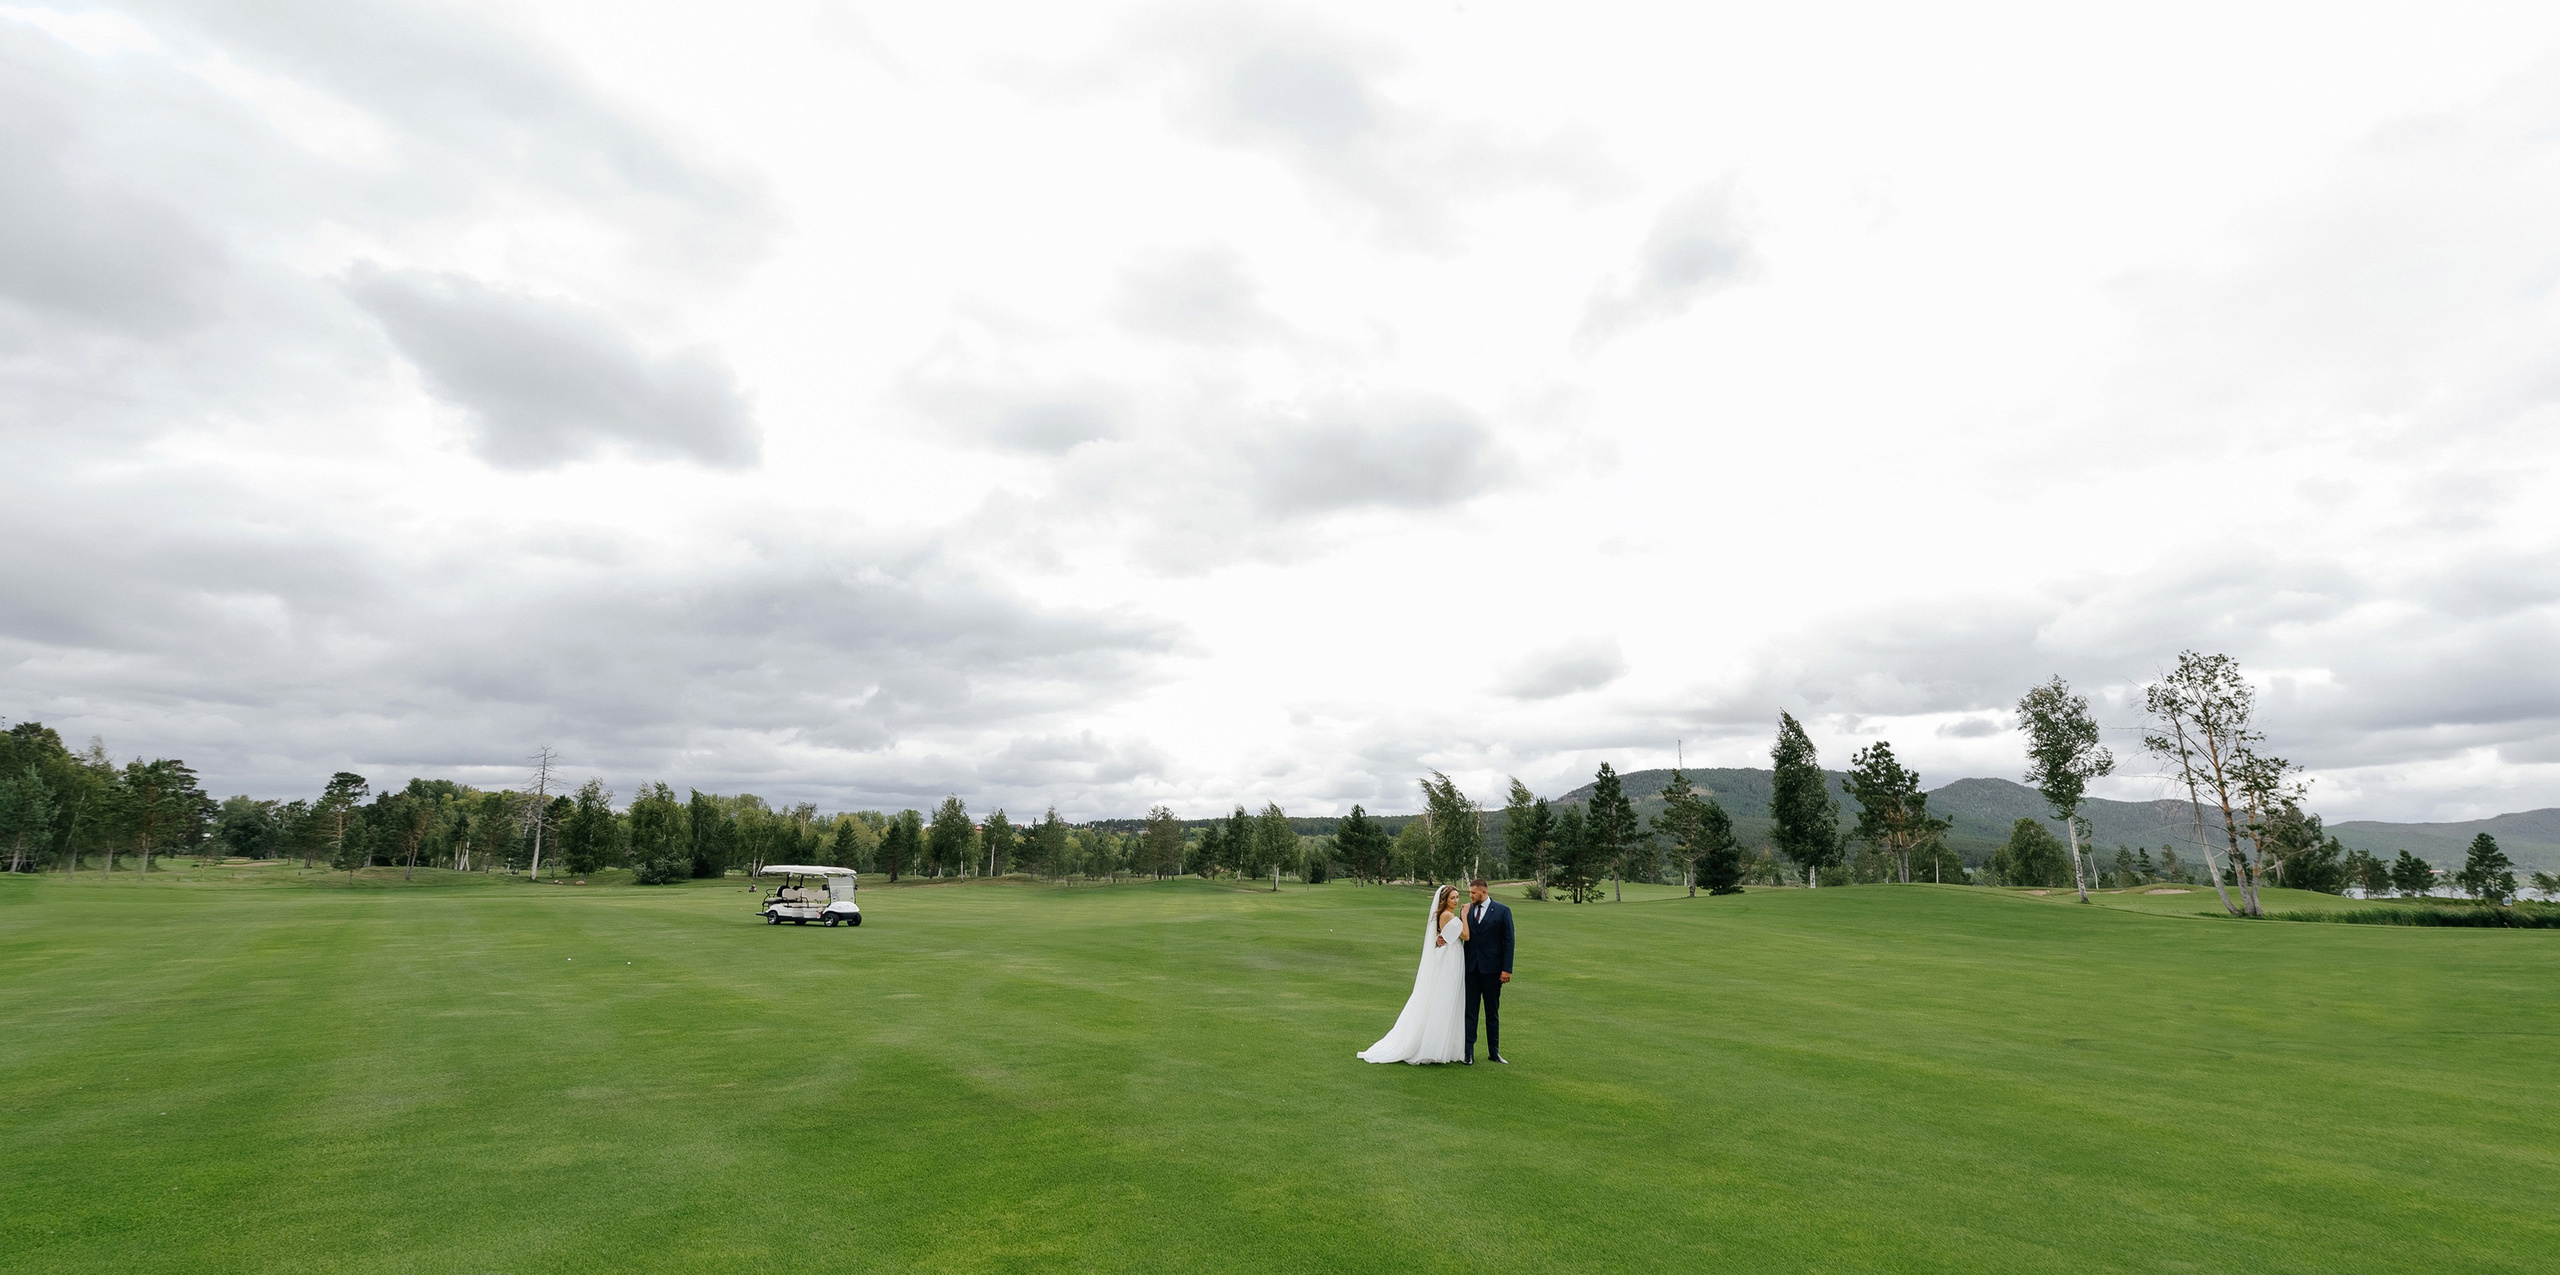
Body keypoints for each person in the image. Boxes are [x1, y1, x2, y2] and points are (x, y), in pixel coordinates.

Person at [1356, 885, 1470, 1065]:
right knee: (1444, 997)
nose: (1456, 901)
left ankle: (1442, 1045)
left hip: (1449, 954)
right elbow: (1466, 935)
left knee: (1443, 996)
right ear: (1445, 900)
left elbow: (1444, 935)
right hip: (1451, 957)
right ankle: (1434, 1046)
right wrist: (1465, 915)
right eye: (1452, 898)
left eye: (1457, 897)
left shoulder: (1444, 915)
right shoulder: (1448, 916)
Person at [1460, 877, 1514, 1064]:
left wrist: (1507, 969)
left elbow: (1509, 941)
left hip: (1492, 971)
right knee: (1470, 1012)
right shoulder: (1466, 910)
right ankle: (1468, 1053)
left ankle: (1494, 1052)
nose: (1470, 896)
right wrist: (1441, 938)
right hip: (1471, 969)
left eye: (1473, 893)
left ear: (1483, 892)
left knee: (1492, 1012)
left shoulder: (1502, 911)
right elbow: (1459, 932)